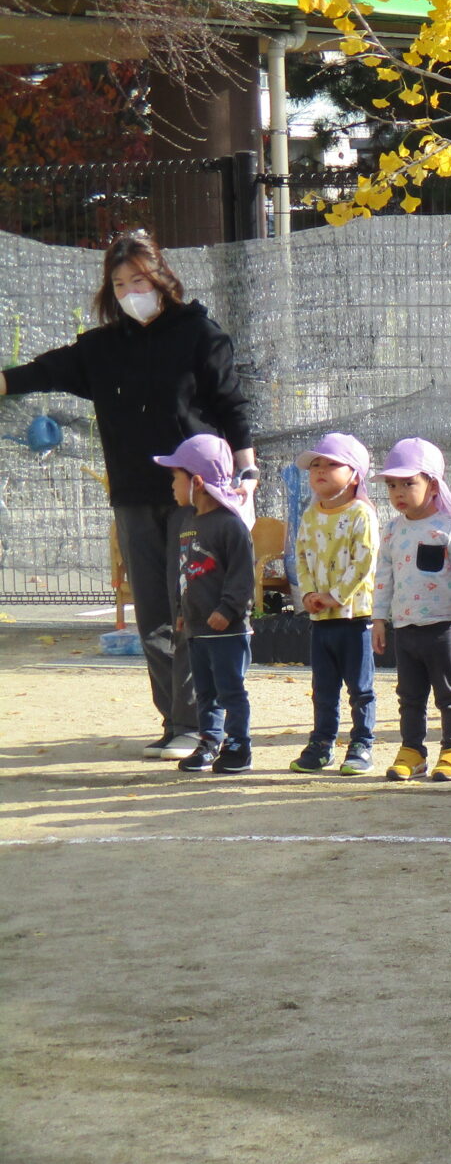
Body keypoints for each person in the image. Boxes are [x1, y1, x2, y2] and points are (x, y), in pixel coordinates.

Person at [1, 231, 257, 758]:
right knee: (153, 616)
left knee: (193, 605)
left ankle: (198, 725)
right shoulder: (102, 348)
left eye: (138, 280)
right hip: (133, 495)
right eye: (119, 284)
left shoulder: (201, 334)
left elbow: (231, 406)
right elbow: (43, 371)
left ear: (162, 278)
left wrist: (247, 475)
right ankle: (175, 720)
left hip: (197, 496)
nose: (129, 292)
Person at [154, 435, 255, 775]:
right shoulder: (189, 522)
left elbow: (242, 576)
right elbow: (187, 573)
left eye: (175, 477)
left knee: (230, 690)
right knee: (205, 692)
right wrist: (183, 612)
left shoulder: (231, 524)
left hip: (226, 630)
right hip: (197, 629)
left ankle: (239, 745)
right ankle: (210, 742)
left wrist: (227, 610)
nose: (172, 486)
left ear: (196, 482)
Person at [371, 438, 451, 782]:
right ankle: (412, 751)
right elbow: (383, 576)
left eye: (408, 483)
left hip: (445, 627)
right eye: (391, 485)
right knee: (409, 696)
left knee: (449, 694)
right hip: (405, 628)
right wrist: (379, 619)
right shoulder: (391, 530)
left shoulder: (450, 528)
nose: (398, 492)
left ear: (433, 485)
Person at [289, 433, 379, 776]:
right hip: (320, 619)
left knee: (360, 688)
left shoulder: (361, 514)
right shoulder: (310, 515)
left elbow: (364, 560)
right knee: (323, 688)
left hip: (355, 618)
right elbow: (300, 556)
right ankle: (321, 744)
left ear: (354, 475)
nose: (320, 470)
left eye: (331, 464)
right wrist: (308, 594)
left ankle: (362, 744)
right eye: (315, 465)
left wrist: (335, 596)